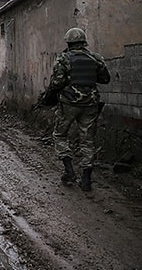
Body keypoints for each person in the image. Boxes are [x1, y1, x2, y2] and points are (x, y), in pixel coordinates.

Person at [42, 27, 110, 191]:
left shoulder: (63, 59)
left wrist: (49, 96)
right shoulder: (95, 58)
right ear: (83, 42)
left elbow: (57, 83)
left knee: (60, 135)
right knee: (88, 139)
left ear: (69, 42)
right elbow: (105, 79)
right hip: (90, 104)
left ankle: (69, 170)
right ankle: (86, 179)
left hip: (69, 103)